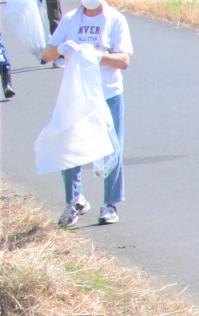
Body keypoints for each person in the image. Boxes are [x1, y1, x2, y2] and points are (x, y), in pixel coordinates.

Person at [42, 0, 130, 227]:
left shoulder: (115, 20)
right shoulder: (71, 20)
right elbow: (47, 54)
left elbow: (123, 60)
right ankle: (74, 200)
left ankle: (110, 203)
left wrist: (99, 56)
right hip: (77, 94)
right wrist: (63, 49)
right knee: (69, 146)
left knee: (113, 148)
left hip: (108, 93)